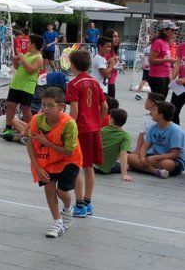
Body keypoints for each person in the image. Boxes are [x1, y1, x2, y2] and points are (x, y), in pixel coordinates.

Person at [23, 87, 82, 239]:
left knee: (61, 192)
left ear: (61, 107)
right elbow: (30, 144)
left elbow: (69, 151)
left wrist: (45, 142)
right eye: (43, 104)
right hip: (47, 160)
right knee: (49, 189)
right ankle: (57, 222)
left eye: (50, 105)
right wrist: (37, 168)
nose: (45, 108)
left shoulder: (69, 124)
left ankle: (68, 209)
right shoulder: (37, 119)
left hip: (69, 160)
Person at [66, 49, 108, 218]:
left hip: (81, 129)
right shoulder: (95, 83)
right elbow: (104, 107)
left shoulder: (74, 84)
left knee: (76, 167)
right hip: (93, 129)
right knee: (89, 167)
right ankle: (88, 202)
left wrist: (67, 128)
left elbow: (74, 110)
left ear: (72, 64)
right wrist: (98, 121)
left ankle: (80, 205)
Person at [128, 100, 185, 179]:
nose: (151, 112)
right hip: (152, 157)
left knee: (167, 164)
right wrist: (142, 158)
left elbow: (175, 154)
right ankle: (155, 171)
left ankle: (140, 167)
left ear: (161, 115)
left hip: (172, 160)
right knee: (130, 157)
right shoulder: (154, 126)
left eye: (154, 110)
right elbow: (145, 147)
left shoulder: (175, 130)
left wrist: (155, 158)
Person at [3, 34, 44, 140]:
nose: (27, 44)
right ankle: (8, 128)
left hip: (27, 87)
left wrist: (22, 58)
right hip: (16, 84)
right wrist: (15, 61)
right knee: (10, 106)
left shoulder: (39, 58)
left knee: (25, 108)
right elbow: (19, 67)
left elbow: (31, 70)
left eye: (29, 42)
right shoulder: (27, 55)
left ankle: (32, 129)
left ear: (34, 44)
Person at [95, 108, 133, 182]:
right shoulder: (125, 136)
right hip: (104, 168)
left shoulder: (103, 130)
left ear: (112, 120)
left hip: (93, 165)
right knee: (128, 165)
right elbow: (123, 155)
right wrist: (124, 174)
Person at [147, 21, 178, 96]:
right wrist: (168, 60)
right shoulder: (158, 42)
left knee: (162, 101)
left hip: (165, 75)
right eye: (172, 30)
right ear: (165, 31)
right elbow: (151, 60)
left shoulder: (166, 43)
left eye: (175, 30)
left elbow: (164, 57)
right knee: (159, 101)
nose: (174, 33)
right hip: (157, 76)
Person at [103, 29, 121, 98]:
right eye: (114, 36)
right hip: (106, 83)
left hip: (112, 82)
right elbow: (103, 67)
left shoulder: (114, 51)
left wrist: (119, 65)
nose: (117, 38)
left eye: (118, 36)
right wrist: (112, 65)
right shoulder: (106, 52)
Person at [171, 42, 185, 125]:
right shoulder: (182, 46)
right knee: (173, 111)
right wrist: (172, 78)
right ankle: (176, 134)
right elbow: (178, 64)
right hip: (180, 86)